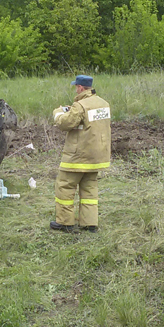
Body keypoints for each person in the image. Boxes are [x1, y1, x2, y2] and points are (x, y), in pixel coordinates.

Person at [50, 75, 111, 233]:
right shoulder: (104, 104)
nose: (75, 89)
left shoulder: (80, 106)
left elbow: (65, 123)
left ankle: (65, 223)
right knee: (89, 188)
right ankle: (90, 224)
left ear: (81, 88)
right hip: (97, 157)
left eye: (76, 87)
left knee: (64, 186)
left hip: (77, 156)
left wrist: (58, 113)